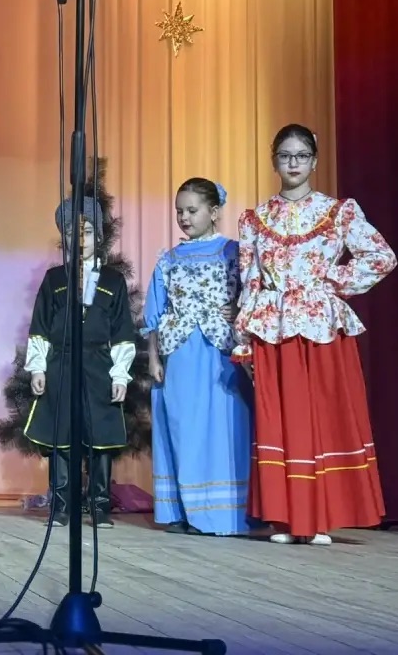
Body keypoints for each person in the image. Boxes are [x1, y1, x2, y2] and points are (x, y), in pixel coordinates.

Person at [236, 123, 396, 545]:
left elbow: (381, 257)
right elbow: (250, 279)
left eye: (301, 156)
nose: (293, 163)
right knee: (281, 422)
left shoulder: (337, 211)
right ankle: (288, 520)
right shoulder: (256, 219)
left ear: (315, 161)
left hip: (321, 326)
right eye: (285, 155)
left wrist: (330, 281)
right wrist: (243, 335)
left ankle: (319, 518)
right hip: (273, 327)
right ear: (274, 161)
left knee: (321, 416)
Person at [143, 178, 252, 536]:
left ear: (214, 211)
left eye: (192, 210)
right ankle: (185, 511)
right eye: (180, 211)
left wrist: (238, 309)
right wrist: (154, 358)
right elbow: (155, 314)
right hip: (181, 353)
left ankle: (227, 513)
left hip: (221, 351)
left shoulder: (234, 252)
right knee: (184, 429)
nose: (184, 218)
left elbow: (254, 294)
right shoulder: (169, 259)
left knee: (224, 429)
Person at [24, 197, 136, 528]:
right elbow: (40, 325)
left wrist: (120, 375)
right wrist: (38, 367)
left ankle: (100, 507)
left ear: (98, 235)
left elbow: (122, 331)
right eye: (73, 232)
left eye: (87, 232)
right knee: (61, 436)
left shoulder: (113, 281)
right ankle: (61, 506)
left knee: (100, 437)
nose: (81, 239)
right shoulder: (54, 279)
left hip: (99, 365)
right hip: (61, 364)